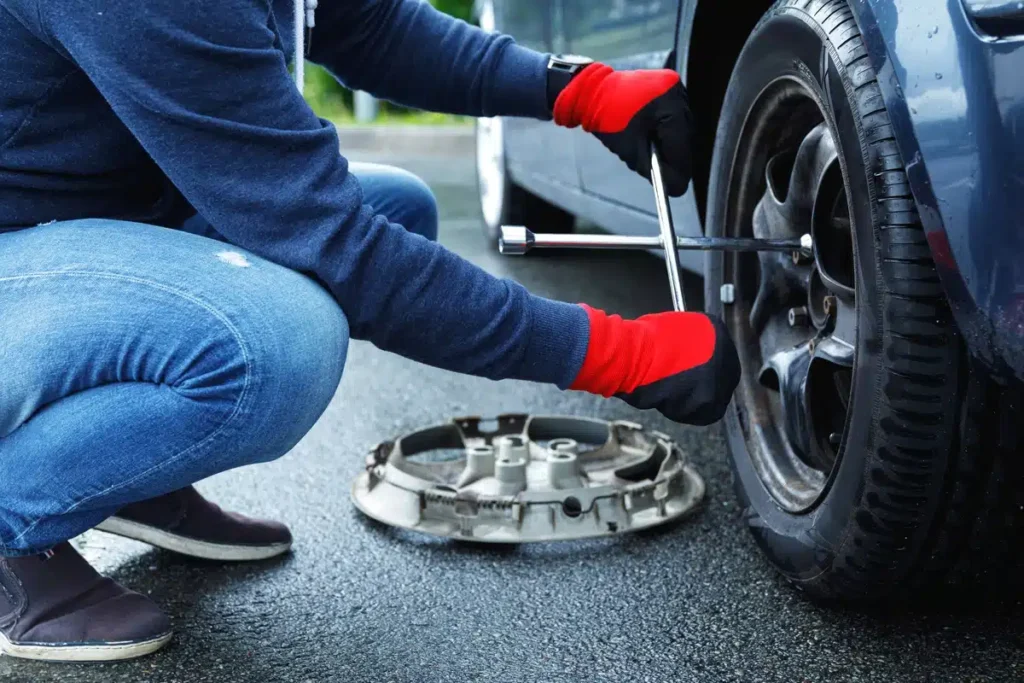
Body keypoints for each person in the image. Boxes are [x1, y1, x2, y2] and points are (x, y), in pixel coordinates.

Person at [0, 0, 740, 662]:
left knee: (399, 207)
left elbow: (371, 26)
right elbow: (335, 244)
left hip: (78, 218)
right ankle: (14, 516)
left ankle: (120, 474)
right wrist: (616, 354)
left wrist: (575, 88)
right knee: (277, 344)